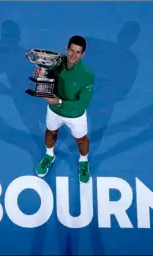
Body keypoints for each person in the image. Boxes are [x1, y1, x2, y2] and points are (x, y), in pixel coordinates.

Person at [34, 35, 94, 183]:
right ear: (66, 49)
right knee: (50, 132)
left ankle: (84, 161)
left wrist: (59, 101)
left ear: (83, 54)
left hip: (75, 114)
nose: (73, 55)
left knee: (81, 140)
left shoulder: (87, 75)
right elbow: (49, 75)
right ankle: (49, 155)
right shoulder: (56, 62)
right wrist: (42, 74)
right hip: (55, 110)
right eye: (71, 50)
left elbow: (83, 104)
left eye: (78, 52)